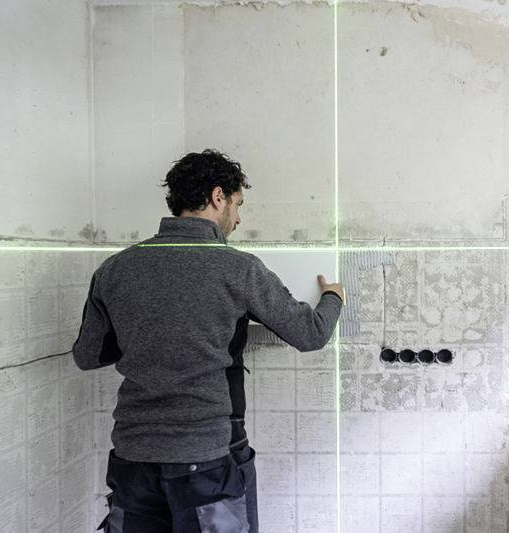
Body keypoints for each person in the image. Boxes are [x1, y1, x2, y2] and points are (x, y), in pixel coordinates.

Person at [72, 149, 344, 532]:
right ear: (218, 197)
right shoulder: (237, 267)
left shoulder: (114, 269)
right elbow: (311, 334)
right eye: (237, 204)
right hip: (206, 462)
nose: (238, 218)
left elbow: (87, 355)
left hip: (132, 459)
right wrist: (334, 297)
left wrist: (147, 329)